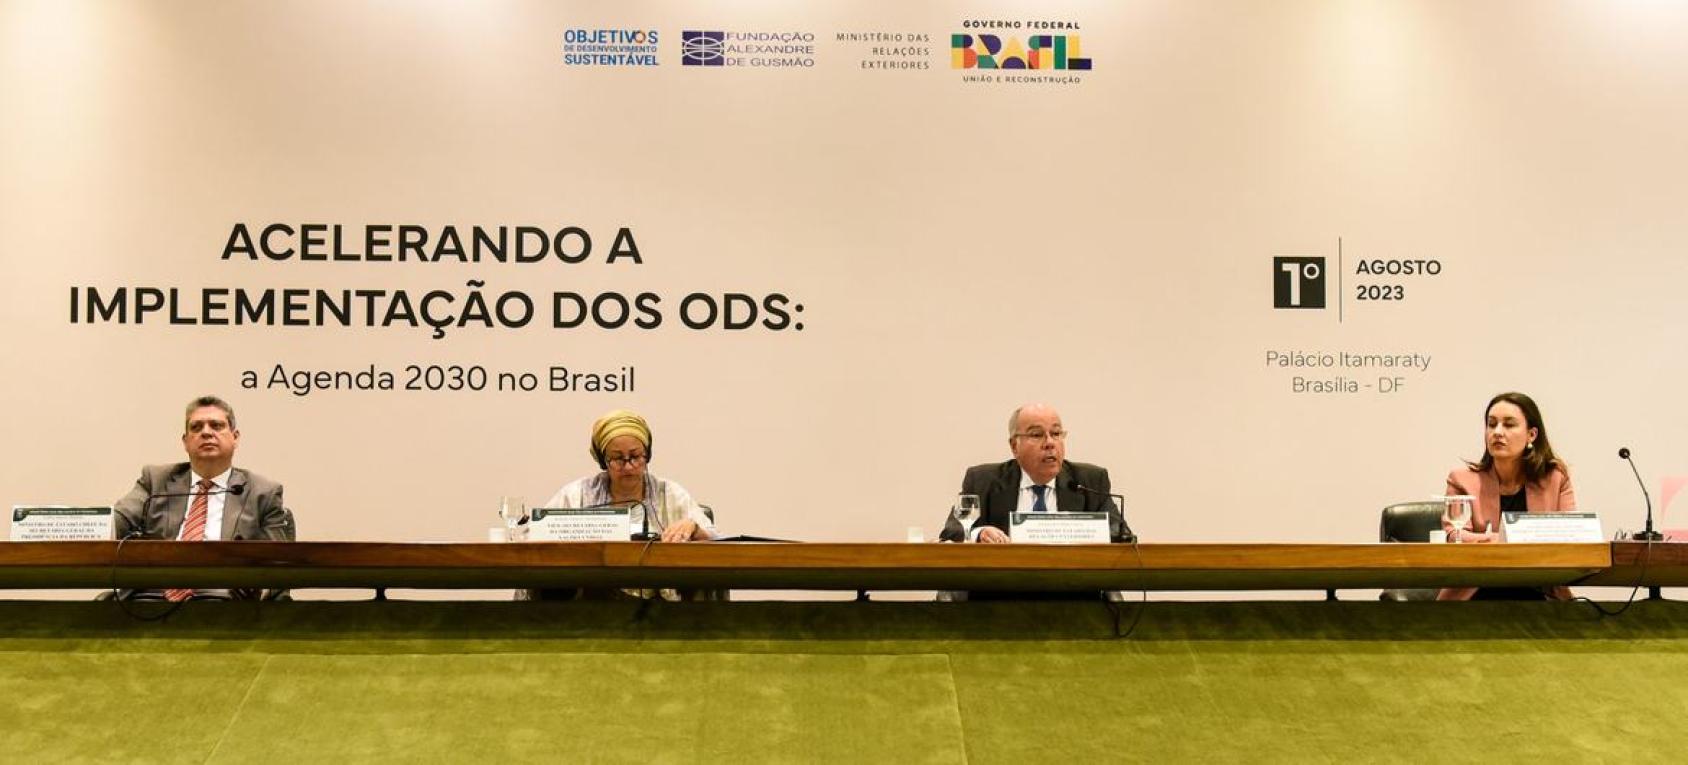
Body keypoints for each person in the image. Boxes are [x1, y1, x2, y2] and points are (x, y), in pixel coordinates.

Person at [111, 395, 295, 600]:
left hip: (226, 596)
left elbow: (279, 563)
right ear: (185, 442)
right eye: (197, 427)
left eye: (216, 426)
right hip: (152, 593)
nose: (206, 432)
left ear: (235, 437)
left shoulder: (263, 492)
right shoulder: (155, 480)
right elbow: (114, 524)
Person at [1438, 391, 1576, 601]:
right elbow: (1454, 536)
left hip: (1540, 591)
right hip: (1476, 592)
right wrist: (1505, 540)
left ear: (1532, 435)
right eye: (1492, 424)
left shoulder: (1556, 479)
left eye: (1509, 425)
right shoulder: (1461, 480)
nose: (1497, 432)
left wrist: (1499, 540)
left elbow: (1570, 536)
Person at [939, 403, 1133, 545]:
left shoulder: (1090, 481)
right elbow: (951, 530)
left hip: (1072, 591)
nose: (1049, 442)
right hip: (1003, 592)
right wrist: (979, 533)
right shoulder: (983, 480)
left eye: (1056, 433)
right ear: (1015, 446)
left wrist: (1082, 533)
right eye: (1037, 435)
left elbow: (1121, 534)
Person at [542, 409, 717, 543]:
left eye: (635, 456)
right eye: (618, 458)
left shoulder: (670, 493)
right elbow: (534, 535)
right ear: (603, 462)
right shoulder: (576, 494)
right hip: (593, 588)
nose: (628, 466)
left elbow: (718, 540)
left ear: (647, 455)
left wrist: (694, 528)